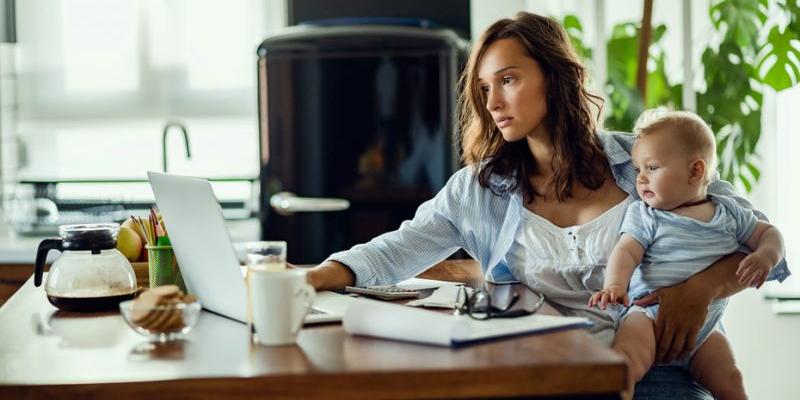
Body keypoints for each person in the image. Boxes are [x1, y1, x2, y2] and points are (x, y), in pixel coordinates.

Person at [305, 11, 789, 398]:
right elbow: (395, 252)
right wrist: (309, 278)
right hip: (545, 375)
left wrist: (701, 288)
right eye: (484, 88)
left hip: (661, 375)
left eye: (509, 80)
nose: (493, 102)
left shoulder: (644, 160)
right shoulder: (477, 190)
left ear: (555, 77)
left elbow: (761, 241)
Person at [588, 110, 785, 399]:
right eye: (638, 169)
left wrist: (766, 254)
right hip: (646, 316)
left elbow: (769, 234)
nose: (640, 179)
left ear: (695, 171)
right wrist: (615, 285)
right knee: (626, 364)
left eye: (652, 168)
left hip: (704, 328)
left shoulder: (728, 213)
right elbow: (626, 251)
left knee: (731, 381)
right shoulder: (646, 215)